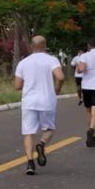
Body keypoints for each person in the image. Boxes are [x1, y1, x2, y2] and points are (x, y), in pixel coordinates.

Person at [14, 36, 65, 175]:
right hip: (47, 100)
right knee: (48, 129)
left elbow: (17, 86)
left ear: (31, 46)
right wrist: (57, 88)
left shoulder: (23, 62)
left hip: (29, 101)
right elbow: (60, 77)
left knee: (28, 132)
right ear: (45, 46)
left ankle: (30, 163)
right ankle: (41, 144)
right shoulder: (51, 60)